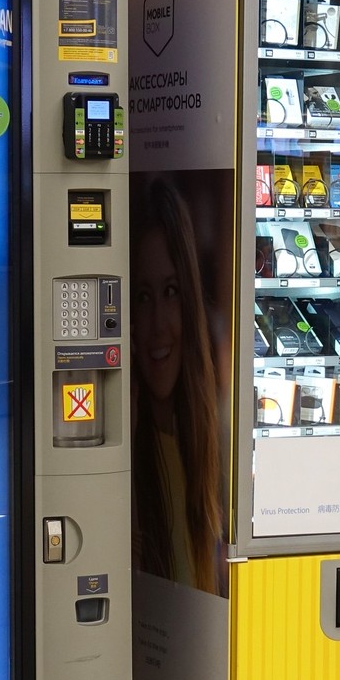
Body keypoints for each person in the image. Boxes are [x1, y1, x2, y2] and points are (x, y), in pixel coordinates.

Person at [131, 179, 227, 596]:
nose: (158, 327)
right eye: (143, 296)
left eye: (170, 292)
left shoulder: (211, 439)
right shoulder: (128, 455)